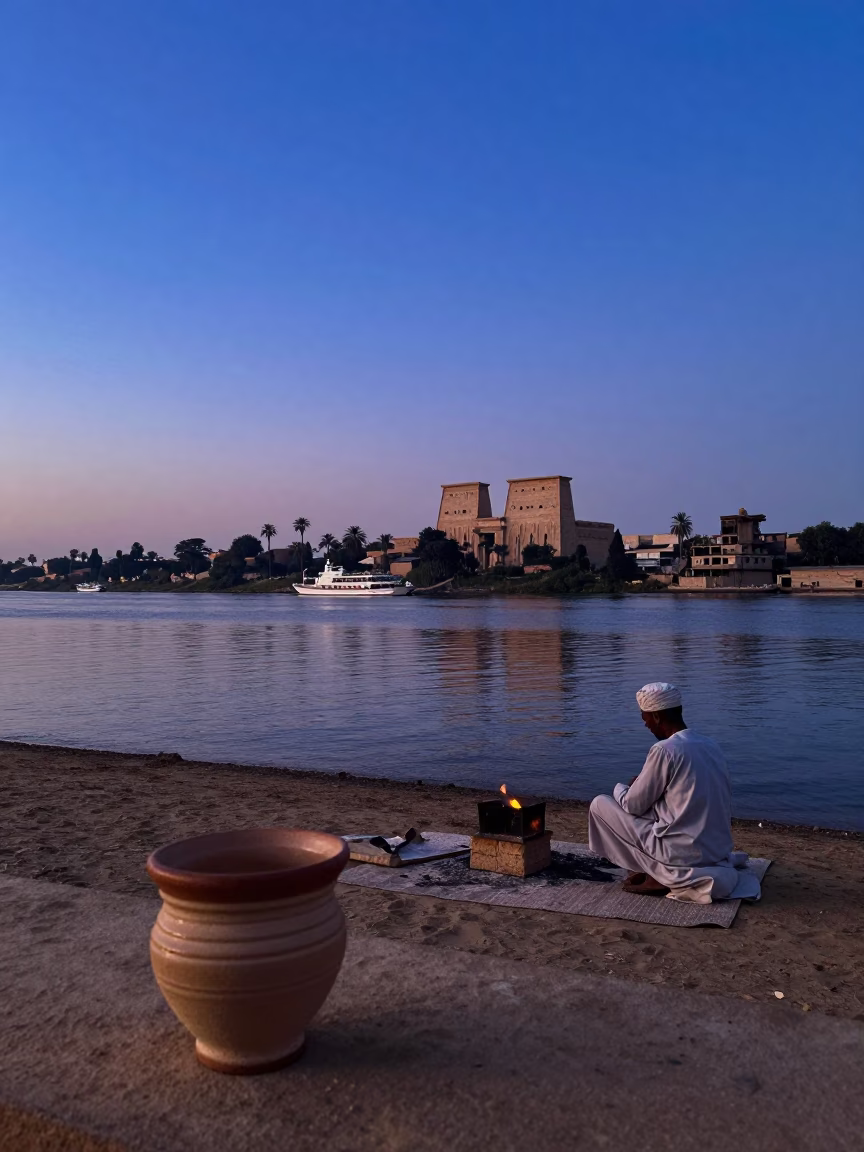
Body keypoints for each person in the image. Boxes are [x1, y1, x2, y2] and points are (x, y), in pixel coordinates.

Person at [588, 682, 761, 904]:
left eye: (645, 719)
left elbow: (633, 806)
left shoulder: (664, 750)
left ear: (657, 717)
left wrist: (623, 788)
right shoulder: (710, 745)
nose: (646, 725)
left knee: (600, 804)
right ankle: (659, 867)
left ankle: (657, 873)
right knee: (652, 806)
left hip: (681, 853)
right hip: (715, 849)